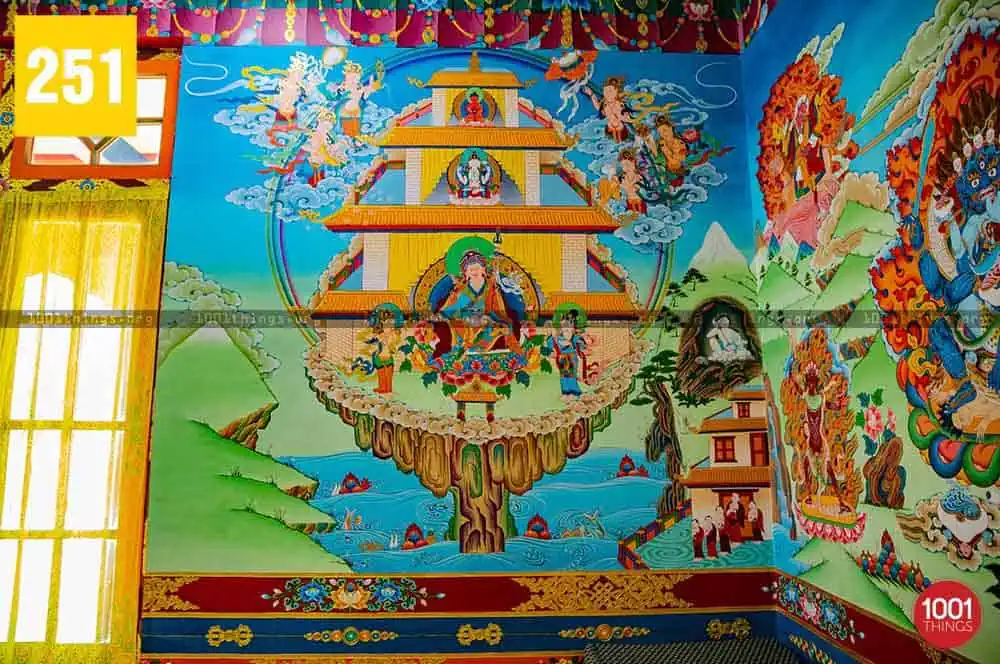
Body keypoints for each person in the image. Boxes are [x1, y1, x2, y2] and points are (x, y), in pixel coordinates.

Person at [431, 251, 523, 359]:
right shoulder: (463, 290)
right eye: (471, 269)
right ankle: (463, 350)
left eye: (477, 268)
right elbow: (454, 307)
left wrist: (492, 319)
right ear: (466, 273)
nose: (474, 271)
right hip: (466, 323)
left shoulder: (490, 288)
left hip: (487, 321)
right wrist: (442, 315)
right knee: (466, 325)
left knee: (500, 327)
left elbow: (497, 307)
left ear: (483, 269)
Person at [328, 61, 379, 137]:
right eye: (351, 78)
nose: (353, 80)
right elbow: (332, 95)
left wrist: (370, 88)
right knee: (341, 133)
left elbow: (367, 91)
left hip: (354, 115)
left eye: (356, 78)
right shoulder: (341, 88)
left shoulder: (360, 90)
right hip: (343, 114)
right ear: (346, 76)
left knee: (351, 135)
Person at [545, 310, 589, 399]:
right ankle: (565, 392)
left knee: (571, 376)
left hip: (572, 357)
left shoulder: (574, 337)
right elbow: (550, 343)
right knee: (564, 376)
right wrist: (550, 337)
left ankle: (575, 392)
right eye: (564, 327)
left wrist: (578, 344)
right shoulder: (558, 338)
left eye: (568, 327)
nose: (566, 329)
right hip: (563, 358)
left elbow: (581, 344)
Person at [585, 76, 632, 142]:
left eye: (612, 126)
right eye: (617, 126)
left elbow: (597, 106)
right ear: (623, 125)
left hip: (604, 97)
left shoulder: (604, 113)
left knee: (587, 84)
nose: (614, 123)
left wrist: (591, 94)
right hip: (612, 95)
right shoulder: (624, 116)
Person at [617, 149, 648, 215]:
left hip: (635, 186)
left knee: (638, 200)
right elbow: (623, 185)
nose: (625, 167)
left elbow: (640, 183)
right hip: (629, 189)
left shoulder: (633, 163)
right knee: (631, 201)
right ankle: (634, 213)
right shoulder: (623, 175)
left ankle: (641, 213)